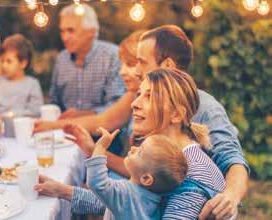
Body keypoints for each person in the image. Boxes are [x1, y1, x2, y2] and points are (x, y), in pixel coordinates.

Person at [35, 25, 249, 219]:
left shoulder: (188, 175)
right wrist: (61, 191)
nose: (135, 104)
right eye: (139, 94)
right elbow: (127, 202)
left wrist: (230, 196)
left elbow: (232, 158)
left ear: (177, 115)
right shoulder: (159, 157)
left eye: (148, 96)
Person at [85, 128, 187, 220]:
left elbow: (96, 183)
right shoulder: (157, 202)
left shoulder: (125, 193)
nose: (133, 148)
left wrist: (100, 147)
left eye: (140, 152)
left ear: (146, 178)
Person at [49, 3, 125, 119]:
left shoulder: (112, 56)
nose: (65, 37)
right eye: (62, 31)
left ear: (91, 32)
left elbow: (118, 105)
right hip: (65, 133)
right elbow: (54, 102)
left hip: (104, 134)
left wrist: (81, 115)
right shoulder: (61, 59)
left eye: (71, 31)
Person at [0, 34, 43, 117]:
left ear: (23, 63)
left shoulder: (32, 84)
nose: (4, 65)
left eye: (9, 61)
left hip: (22, 126)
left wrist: (12, 115)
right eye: (2, 61)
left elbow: (36, 111)